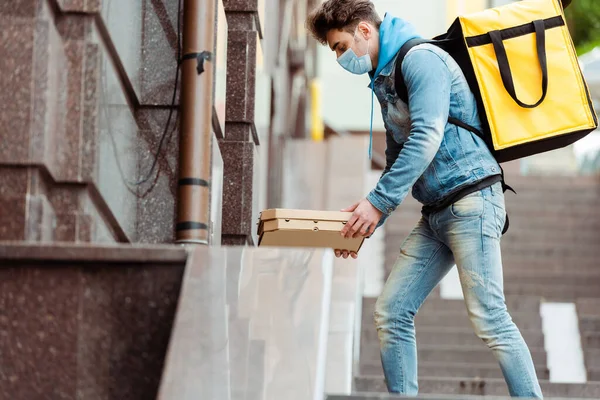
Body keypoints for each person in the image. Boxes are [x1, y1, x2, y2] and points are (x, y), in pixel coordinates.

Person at [306, 0, 543, 398]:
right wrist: (366, 221)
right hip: (436, 212)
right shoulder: (386, 79)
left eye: (340, 46)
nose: (340, 58)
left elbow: (427, 137)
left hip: (471, 200)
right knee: (392, 311)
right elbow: (397, 154)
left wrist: (377, 203)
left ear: (365, 31)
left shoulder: (421, 60)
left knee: (490, 318)